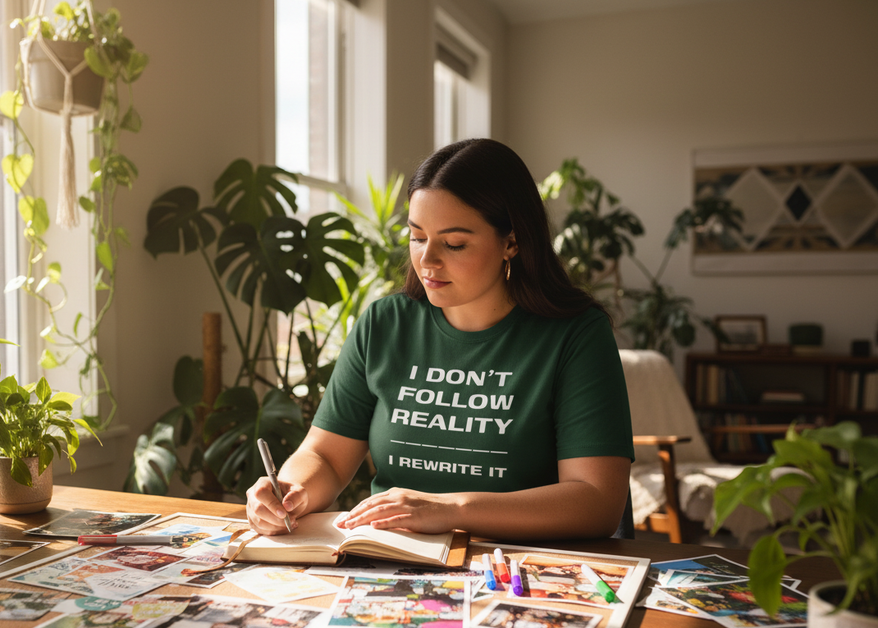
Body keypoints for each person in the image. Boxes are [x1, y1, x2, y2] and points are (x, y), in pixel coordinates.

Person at [246, 138, 633, 542]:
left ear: (512, 242)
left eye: (454, 243)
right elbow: (324, 455)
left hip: (515, 570)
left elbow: (597, 501)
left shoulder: (575, 336)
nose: (427, 259)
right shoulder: (384, 324)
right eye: (417, 236)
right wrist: (289, 492)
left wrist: (450, 509)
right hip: (391, 560)